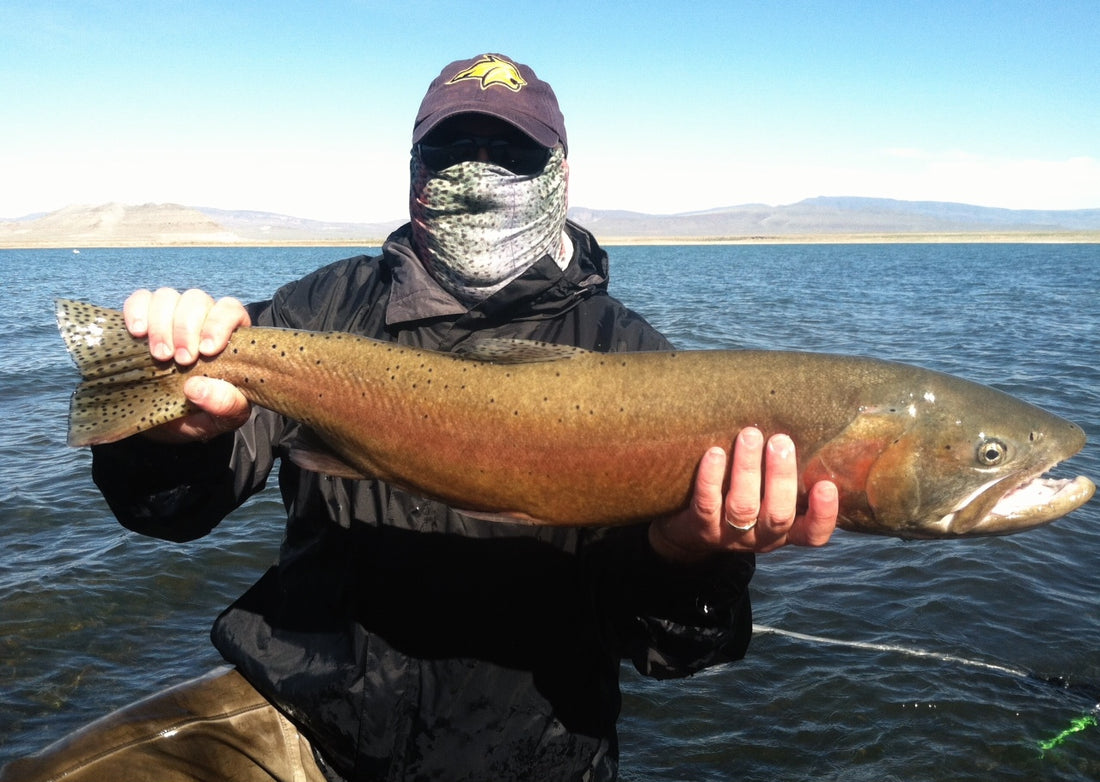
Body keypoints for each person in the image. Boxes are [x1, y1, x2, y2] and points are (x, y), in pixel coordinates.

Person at [3, 54, 838, 782]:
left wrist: (695, 560)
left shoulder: (638, 359)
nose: (477, 167)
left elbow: (674, 650)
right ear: (412, 170)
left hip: (541, 755)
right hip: (301, 720)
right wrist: (170, 433)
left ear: (561, 174)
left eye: (511, 151)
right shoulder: (318, 308)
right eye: (450, 149)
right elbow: (173, 510)